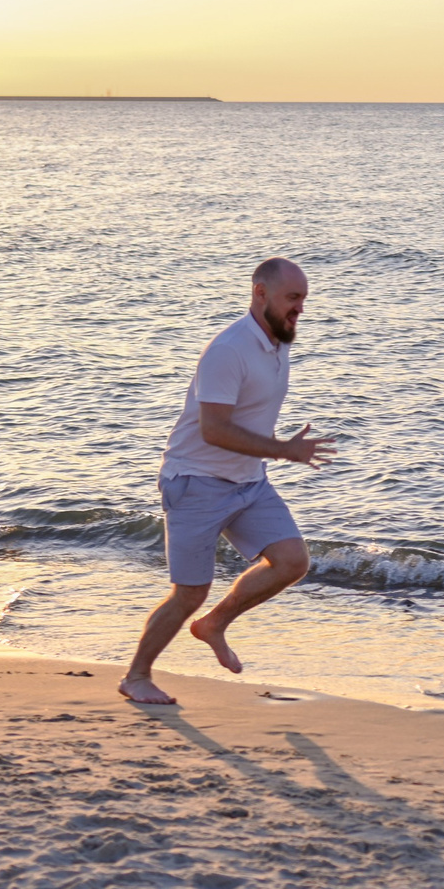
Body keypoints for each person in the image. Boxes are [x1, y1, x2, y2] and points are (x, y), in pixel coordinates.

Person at [118, 258, 336, 706]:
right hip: (195, 482)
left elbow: (246, 418)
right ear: (260, 293)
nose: (300, 309)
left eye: (304, 300)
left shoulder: (277, 344)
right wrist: (285, 450)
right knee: (189, 592)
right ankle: (136, 676)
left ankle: (215, 624)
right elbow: (212, 429)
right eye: (292, 299)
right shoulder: (229, 349)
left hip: (247, 481)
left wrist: (274, 453)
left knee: (292, 560)